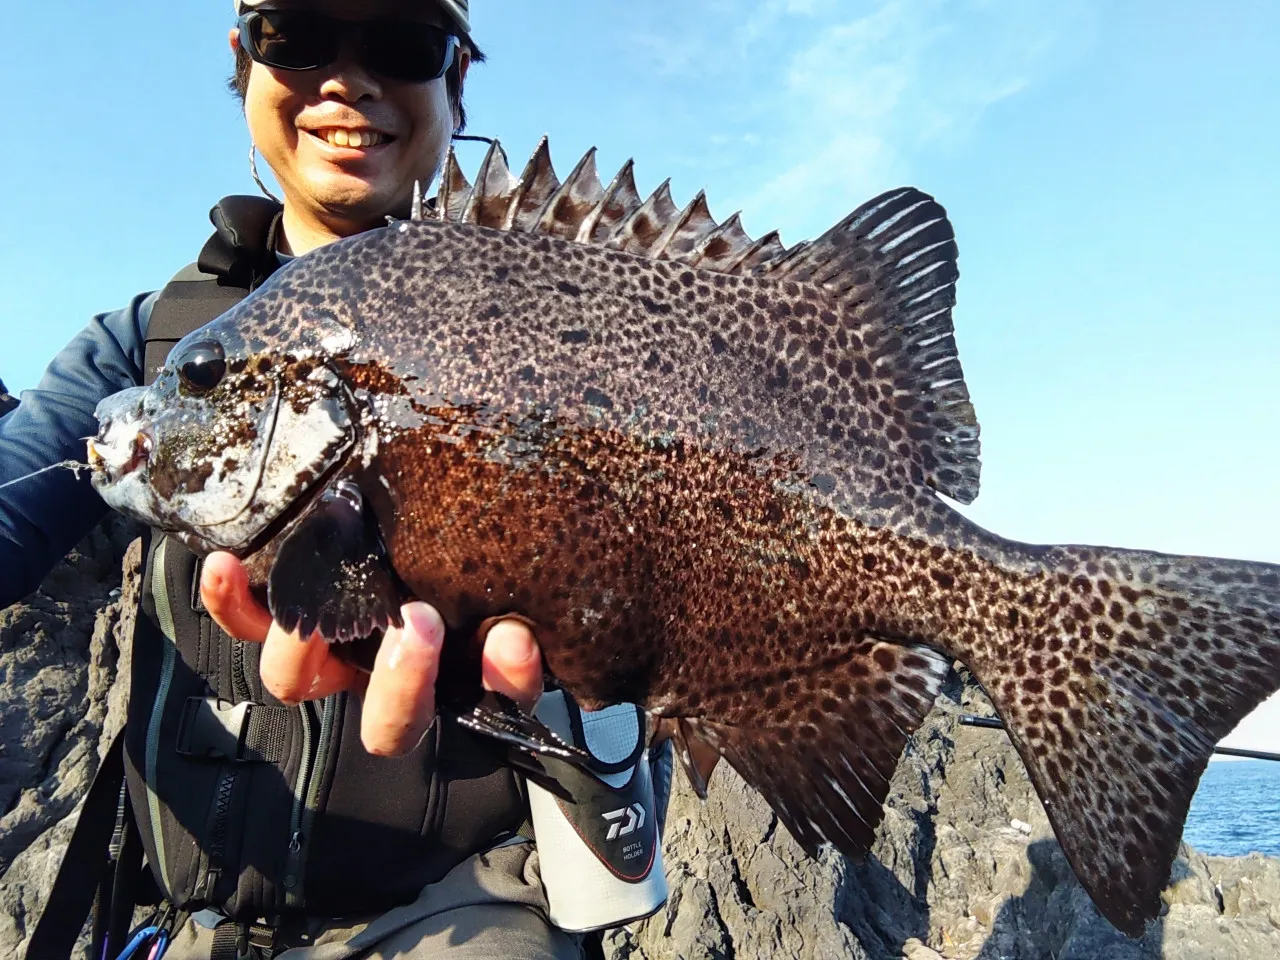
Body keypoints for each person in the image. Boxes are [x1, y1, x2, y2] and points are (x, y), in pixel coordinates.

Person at [1, 2, 599, 957]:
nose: (348, 80)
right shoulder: (144, 345)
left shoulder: (561, 309)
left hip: (467, 915)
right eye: (298, 34)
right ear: (243, 61)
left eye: (405, 43)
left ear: (458, 82)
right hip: (174, 926)